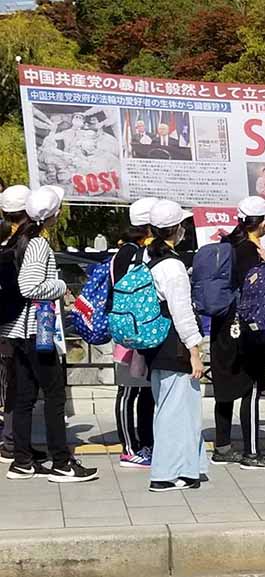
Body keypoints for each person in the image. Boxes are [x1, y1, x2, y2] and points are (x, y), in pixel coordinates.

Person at [3, 186, 98, 482]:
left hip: (16, 329)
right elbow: (29, 286)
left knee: (24, 396)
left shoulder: (15, 239)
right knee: (55, 394)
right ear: (53, 215)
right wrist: (59, 286)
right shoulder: (38, 244)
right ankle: (61, 462)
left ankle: (22, 460)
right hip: (37, 329)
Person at [210, 196, 265, 470]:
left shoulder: (226, 246)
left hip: (221, 325)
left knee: (225, 387)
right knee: (250, 387)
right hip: (244, 328)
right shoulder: (250, 251)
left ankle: (222, 447)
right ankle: (251, 452)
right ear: (263, 223)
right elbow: (257, 291)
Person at [143, 200, 207, 491]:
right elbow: (182, 312)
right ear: (177, 229)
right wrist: (195, 350)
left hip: (157, 346)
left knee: (173, 407)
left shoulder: (149, 259)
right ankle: (166, 474)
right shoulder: (172, 265)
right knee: (176, 409)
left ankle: (188, 469)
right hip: (175, 346)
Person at [111, 197, 159, 469]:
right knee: (128, 390)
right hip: (130, 331)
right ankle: (129, 447)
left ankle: (144, 443)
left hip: (138, 329)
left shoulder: (130, 250)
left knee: (144, 390)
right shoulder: (130, 253)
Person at [0, 185, 39, 465]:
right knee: (15, 382)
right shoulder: (23, 242)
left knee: (13, 382)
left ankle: (13, 440)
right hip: (14, 322)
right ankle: (12, 442)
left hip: (7, 320)